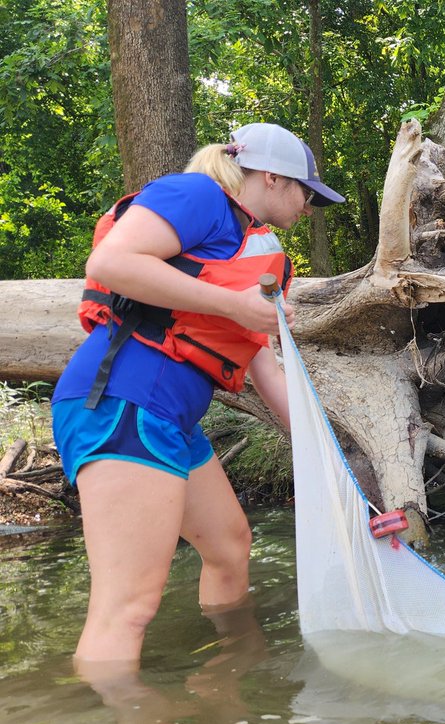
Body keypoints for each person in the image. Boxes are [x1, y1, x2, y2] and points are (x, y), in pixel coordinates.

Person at [52, 122, 345, 666]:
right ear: (275, 179)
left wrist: (325, 450)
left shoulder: (253, 253)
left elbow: (266, 370)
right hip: (123, 403)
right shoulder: (198, 195)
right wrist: (237, 308)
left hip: (168, 419)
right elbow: (110, 264)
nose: (309, 206)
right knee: (129, 606)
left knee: (230, 548)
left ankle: (223, 694)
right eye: (307, 191)